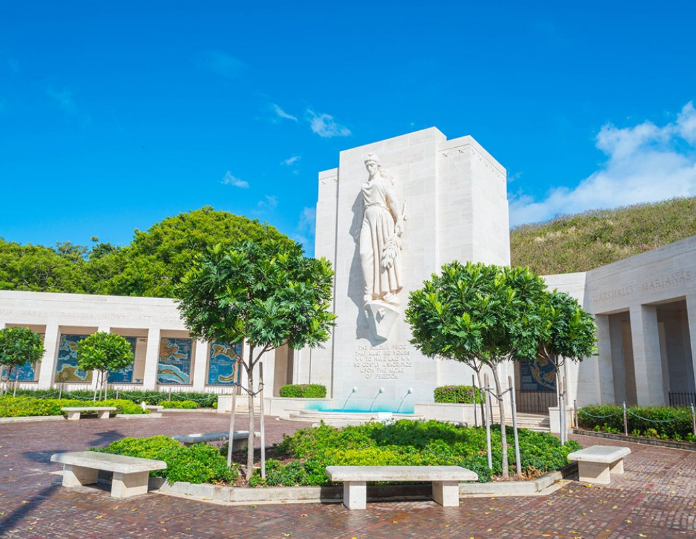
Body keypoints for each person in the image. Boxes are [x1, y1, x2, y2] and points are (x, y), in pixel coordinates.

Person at [358, 154, 405, 304]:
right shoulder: (364, 185)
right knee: (364, 253)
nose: (369, 168)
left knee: (383, 253)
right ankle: (369, 292)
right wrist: (359, 227)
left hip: (382, 215)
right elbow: (361, 208)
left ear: (378, 166)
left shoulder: (384, 182)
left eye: (372, 165)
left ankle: (387, 291)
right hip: (367, 217)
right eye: (367, 166)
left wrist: (398, 220)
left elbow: (392, 201)